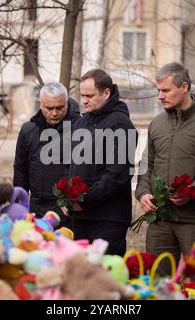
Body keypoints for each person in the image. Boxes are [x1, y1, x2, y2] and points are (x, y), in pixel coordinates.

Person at [135, 62, 195, 291]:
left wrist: (192, 190)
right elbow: (147, 164)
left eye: (165, 90)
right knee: (157, 279)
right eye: (158, 91)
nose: (159, 96)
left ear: (184, 87)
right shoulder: (157, 123)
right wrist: (143, 193)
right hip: (159, 220)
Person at [67, 69, 137, 256]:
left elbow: (118, 174)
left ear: (106, 93)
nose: (84, 101)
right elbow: (74, 166)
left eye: (90, 95)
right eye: (82, 95)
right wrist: (67, 197)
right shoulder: (82, 123)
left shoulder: (120, 124)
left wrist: (85, 200)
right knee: (82, 276)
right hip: (81, 216)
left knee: (105, 277)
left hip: (108, 219)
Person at [13, 82, 80, 228]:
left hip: (67, 210)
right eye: (49, 108)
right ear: (40, 104)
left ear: (66, 103)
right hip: (36, 207)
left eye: (59, 107)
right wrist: (19, 205)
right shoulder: (28, 130)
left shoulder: (79, 129)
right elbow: (20, 170)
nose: (54, 113)